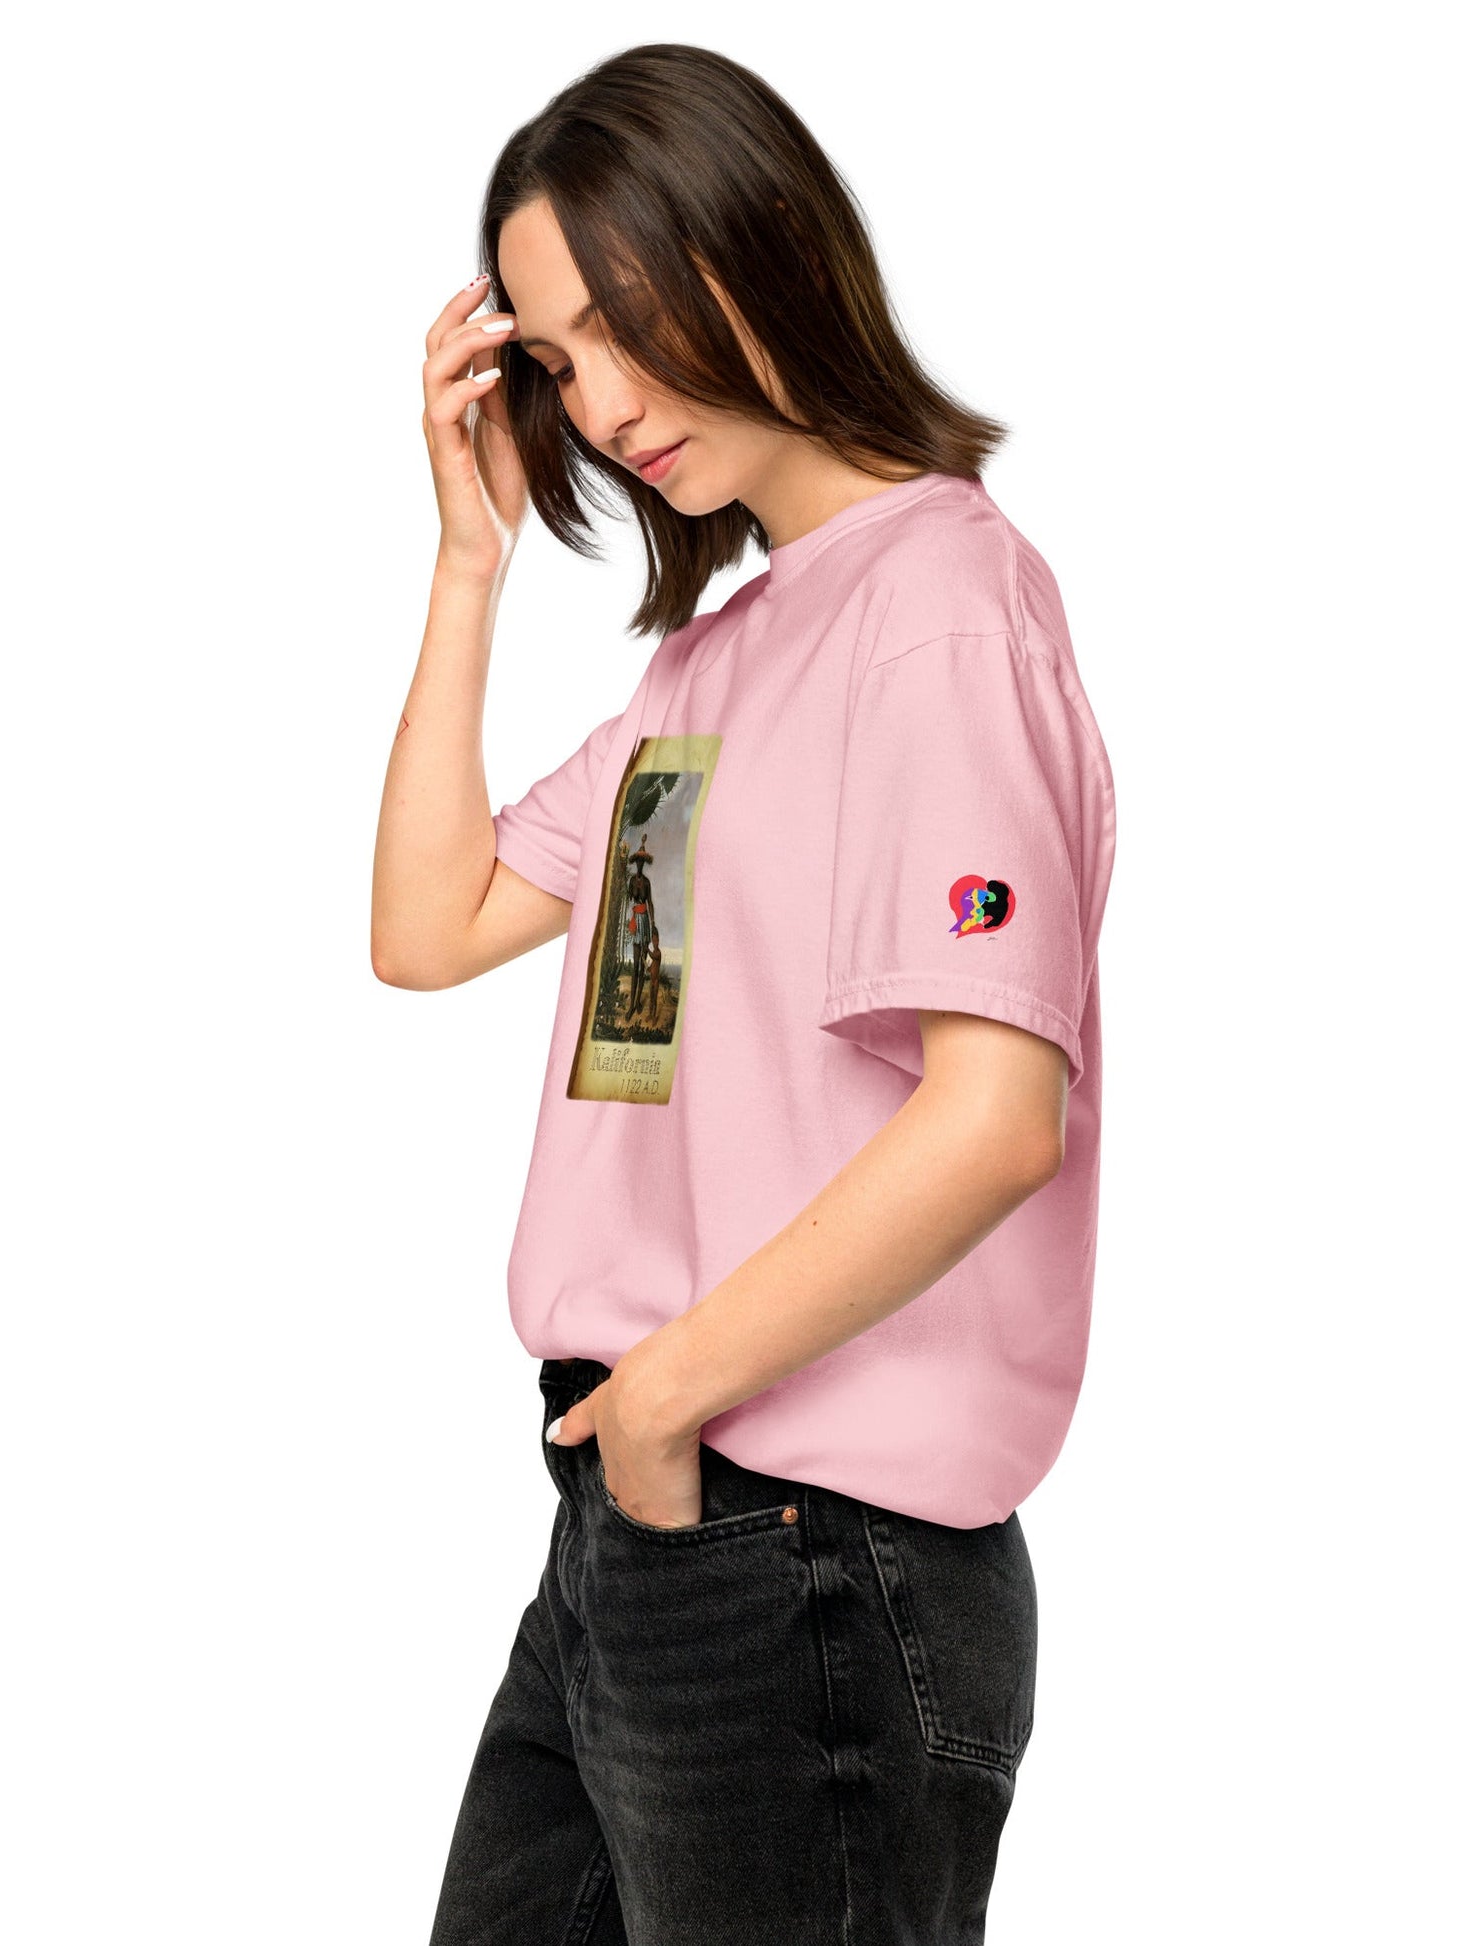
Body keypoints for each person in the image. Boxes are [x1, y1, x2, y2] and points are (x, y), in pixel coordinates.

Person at [371, 42, 1117, 1946]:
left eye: (627, 322)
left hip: (806, 1544)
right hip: (641, 1526)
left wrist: (669, 1400)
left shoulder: (939, 609)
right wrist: (467, 563)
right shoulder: (717, 663)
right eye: (555, 361)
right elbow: (430, 921)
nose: (604, 403)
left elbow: (993, 1114)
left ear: (763, 241)